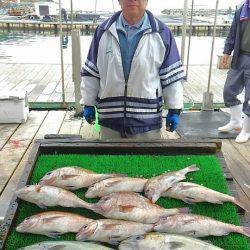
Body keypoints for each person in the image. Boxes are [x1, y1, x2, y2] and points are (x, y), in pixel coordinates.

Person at [80, 0, 184, 140]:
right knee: (109, 161)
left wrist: (174, 109)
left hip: (147, 122)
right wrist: (88, 103)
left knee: (146, 162)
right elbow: (91, 72)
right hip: (110, 120)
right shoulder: (102, 31)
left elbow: (171, 76)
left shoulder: (162, 33)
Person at [218, 0, 250, 143]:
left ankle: (247, 130)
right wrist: (226, 52)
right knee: (229, 90)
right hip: (240, 56)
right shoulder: (241, 9)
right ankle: (236, 121)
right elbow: (232, 33)